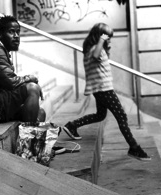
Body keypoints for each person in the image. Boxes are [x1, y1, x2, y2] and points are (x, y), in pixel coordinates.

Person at [63, 23, 151, 161]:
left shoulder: (93, 49)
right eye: (106, 37)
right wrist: (102, 41)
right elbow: (97, 54)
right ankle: (134, 147)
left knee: (100, 115)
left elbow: (100, 62)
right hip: (104, 90)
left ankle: (72, 125)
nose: (109, 39)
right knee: (121, 116)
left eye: (109, 37)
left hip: (101, 89)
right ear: (99, 37)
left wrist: (105, 45)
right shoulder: (94, 49)